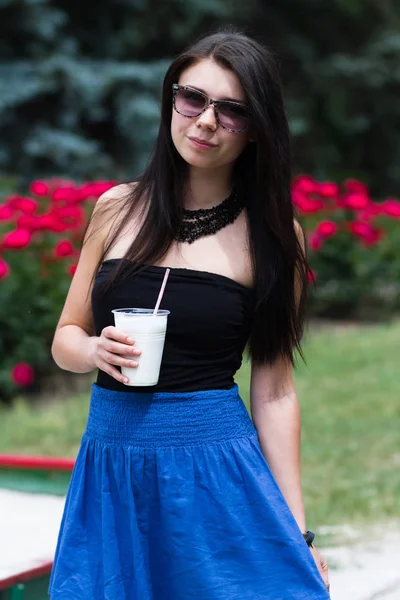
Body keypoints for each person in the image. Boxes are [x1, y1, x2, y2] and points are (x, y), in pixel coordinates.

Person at [49, 27, 330, 600]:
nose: (205, 121)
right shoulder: (116, 208)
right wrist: (93, 350)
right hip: (112, 467)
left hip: (214, 470)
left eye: (231, 110)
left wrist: (296, 531)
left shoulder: (275, 238)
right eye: (193, 98)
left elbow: (274, 391)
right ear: (170, 100)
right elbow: (66, 337)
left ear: (255, 130)